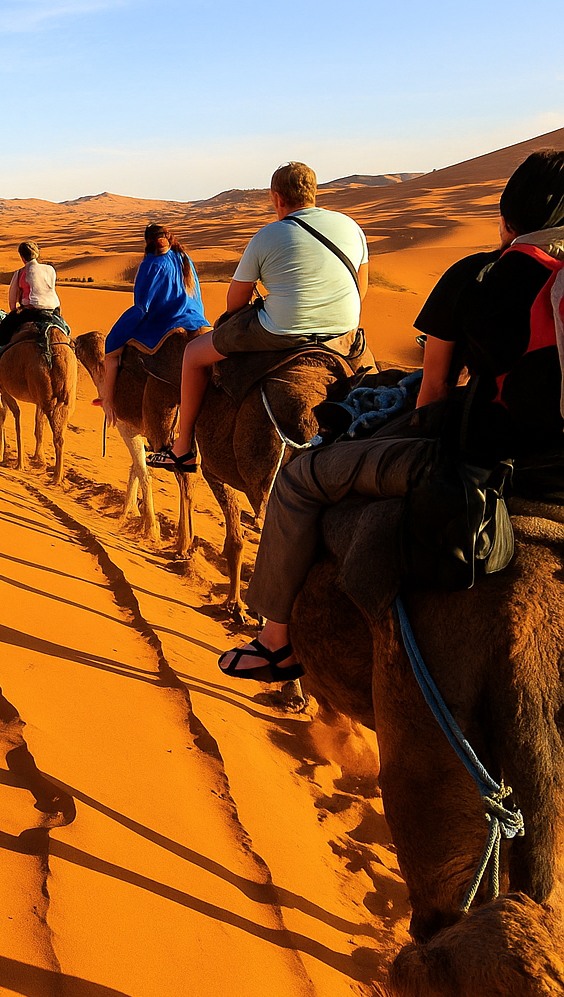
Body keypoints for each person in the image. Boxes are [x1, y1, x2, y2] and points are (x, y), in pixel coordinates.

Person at [218, 150, 564, 681]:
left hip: (488, 463)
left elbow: (434, 390)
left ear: (509, 214)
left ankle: (276, 641)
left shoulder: (478, 275)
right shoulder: (350, 229)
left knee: (299, 479)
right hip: (350, 340)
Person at [148, 162, 370, 474]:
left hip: (280, 331)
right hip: (343, 333)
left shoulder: (269, 235)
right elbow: (362, 289)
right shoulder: (351, 227)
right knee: (373, 375)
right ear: (313, 193)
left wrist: (237, 321)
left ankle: (183, 448)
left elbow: (236, 300)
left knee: (194, 355)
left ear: (278, 198)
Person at [100, 224, 210, 412]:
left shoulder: (151, 264)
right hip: (197, 319)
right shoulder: (184, 258)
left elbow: (142, 306)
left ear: (147, 242)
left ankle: (108, 401)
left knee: (111, 350)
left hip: (166, 321)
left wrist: (129, 321)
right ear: (169, 237)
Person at [0, 241, 62, 350]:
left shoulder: (21, 272)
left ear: (22, 257)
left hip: (30, 313)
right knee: (66, 331)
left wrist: (13, 312)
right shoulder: (50, 269)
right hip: (52, 312)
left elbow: (12, 300)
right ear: (36, 254)